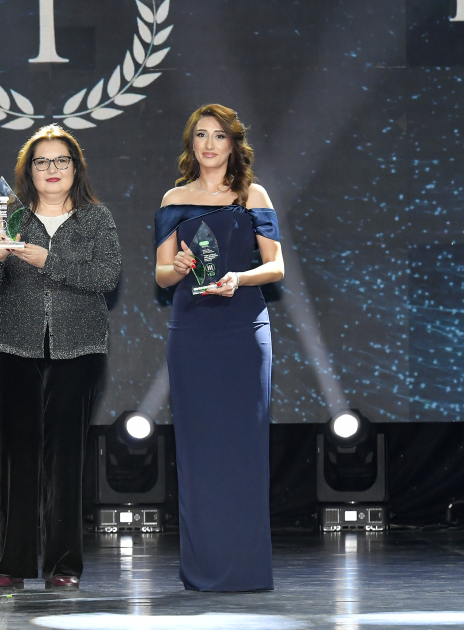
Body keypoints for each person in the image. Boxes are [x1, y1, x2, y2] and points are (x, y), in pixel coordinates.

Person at [0, 124, 121, 591]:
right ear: (28, 171)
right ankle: (12, 564)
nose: (52, 169)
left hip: (79, 350)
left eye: (61, 161)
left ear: (76, 168)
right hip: (12, 349)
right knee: (14, 457)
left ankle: (64, 565)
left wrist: (46, 260)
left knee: (66, 458)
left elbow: (107, 276)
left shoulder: (96, 218)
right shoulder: (8, 217)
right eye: (42, 162)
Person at [154, 104, 285, 591]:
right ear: (191, 143)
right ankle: (204, 569)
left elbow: (276, 267)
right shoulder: (174, 199)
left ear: (233, 144)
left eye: (219, 135)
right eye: (201, 135)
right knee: (199, 452)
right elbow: (161, 274)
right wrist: (178, 268)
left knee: (243, 450)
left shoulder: (254, 196)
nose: (209, 144)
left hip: (243, 330)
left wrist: (239, 277)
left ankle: (246, 569)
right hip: (192, 333)